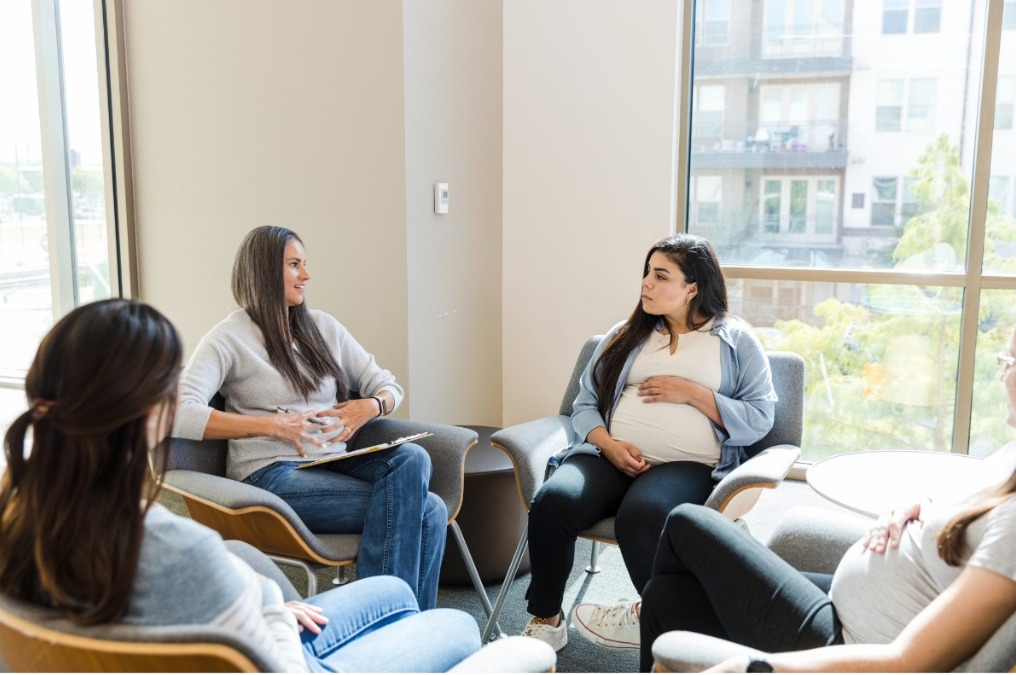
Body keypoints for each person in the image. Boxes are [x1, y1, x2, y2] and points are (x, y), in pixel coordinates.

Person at [0, 299, 481, 672]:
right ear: (152, 409)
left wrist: (262, 598)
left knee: (394, 593)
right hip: (293, 659)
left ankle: (399, 631)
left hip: (235, 633)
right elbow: (281, 666)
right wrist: (273, 609)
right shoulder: (181, 548)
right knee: (457, 625)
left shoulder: (21, 507)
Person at [637, 326, 1016, 673]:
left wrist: (760, 667)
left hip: (850, 643)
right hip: (848, 610)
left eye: (1009, 361)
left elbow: (907, 661)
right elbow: (972, 504)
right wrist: (920, 507)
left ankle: (637, 616)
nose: (1001, 374)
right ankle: (642, 614)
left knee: (687, 523)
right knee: (663, 598)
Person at [521, 234, 777, 652]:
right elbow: (584, 403)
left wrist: (693, 393)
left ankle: (662, 621)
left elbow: (761, 417)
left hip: (688, 465)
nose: (646, 283)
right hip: (609, 454)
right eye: (647, 273)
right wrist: (608, 444)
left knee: (643, 514)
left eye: (661, 276)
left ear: (692, 288)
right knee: (553, 502)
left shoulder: (735, 341)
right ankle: (547, 618)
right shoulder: (626, 335)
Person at [173, 225, 445, 609]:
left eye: (304, 263)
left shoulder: (323, 327)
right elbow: (180, 413)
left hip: (333, 461)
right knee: (429, 510)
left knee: (413, 457)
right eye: (294, 265)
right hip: (271, 474)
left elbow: (387, 385)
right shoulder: (228, 338)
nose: (306, 274)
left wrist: (371, 406)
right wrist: (269, 425)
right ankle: (389, 621)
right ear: (264, 271)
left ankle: (391, 624)